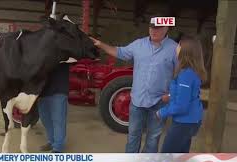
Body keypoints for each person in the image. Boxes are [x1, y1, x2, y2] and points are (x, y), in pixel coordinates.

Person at [91, 15, 178, 153]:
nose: (154, 31)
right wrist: (100, 44)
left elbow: (181, 73)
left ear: (166, 28)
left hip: (159, 103)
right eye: (152, 27)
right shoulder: (139, 44)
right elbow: (119, 52)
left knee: (153, 139)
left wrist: (172, 94)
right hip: (137, 101)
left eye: (158, 28)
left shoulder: (175, 49)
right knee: (133, 137)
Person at [156, 36, 207, 153]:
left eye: (179, 45)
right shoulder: (192, 72)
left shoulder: (186, 75)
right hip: (192, 121)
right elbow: (188, 95)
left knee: (166, 157)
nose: (176, 47)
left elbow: (182, 106)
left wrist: (162, 112)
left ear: (185, 51)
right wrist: (169, 97)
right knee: (181, 156)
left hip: (184, 123)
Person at [38, 62, 71, 153]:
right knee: (45, 119)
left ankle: (58, 147)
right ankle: (51, 141)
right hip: (42, 91)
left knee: (58, 120)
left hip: (59, 89)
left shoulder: (65, 50)